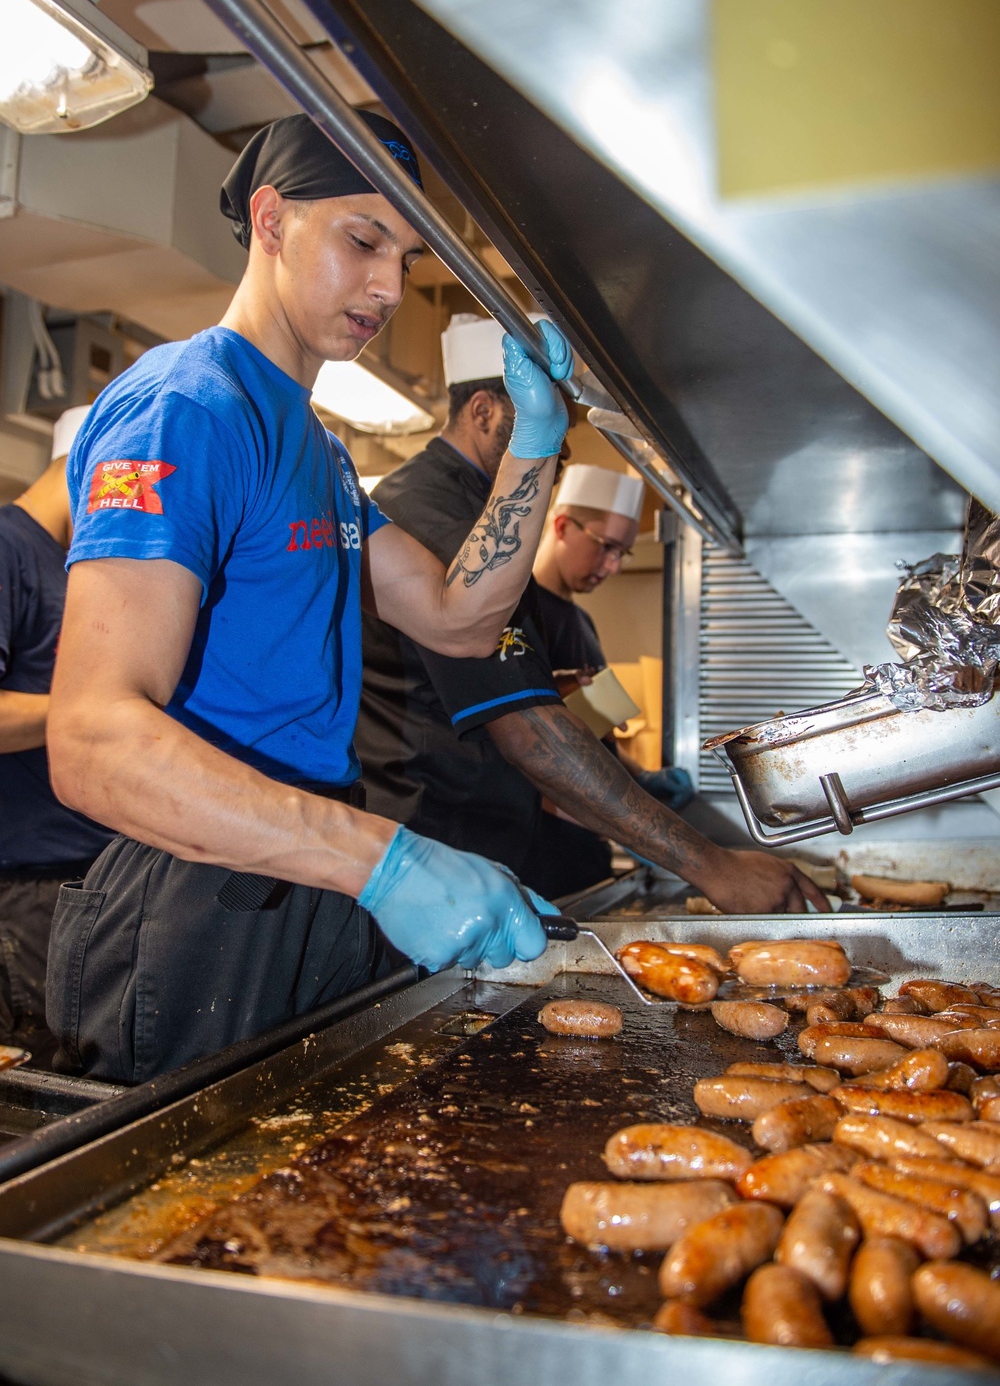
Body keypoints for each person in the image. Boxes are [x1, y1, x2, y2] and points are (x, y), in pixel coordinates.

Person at [44, 112, 576, 1086]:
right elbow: (90, 740)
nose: (386, 285)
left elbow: (460, 615)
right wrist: (390, 864)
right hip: (198, 889)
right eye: (362, 238)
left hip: (309, 863)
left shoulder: (320, 447)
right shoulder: (186, 407)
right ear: (271, 218)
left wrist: (536, 447)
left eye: (405, 255)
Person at [356, 314, 827, 909]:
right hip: (440, 854)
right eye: (536, 417)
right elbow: (528, 733)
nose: (566, 447)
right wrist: (713, 866)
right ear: (482, 412)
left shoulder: (476, 509)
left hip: (480, 845)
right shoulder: (439, 518)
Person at [0, 407, 112, 1064]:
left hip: (89, 877)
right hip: (28, 890)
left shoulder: (75, 561)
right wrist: (92, 709)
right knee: (36, 1094)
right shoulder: (10, 548)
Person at [527, 461, 694, 887]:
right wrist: (631, 826)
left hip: (588, 855)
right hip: (538, 855)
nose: (614, 565)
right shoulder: (519, 617)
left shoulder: (582, 622)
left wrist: (640, 777)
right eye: (607, 546)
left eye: (623, 552)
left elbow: (590, 730)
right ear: (562, 526)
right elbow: (526, 754)